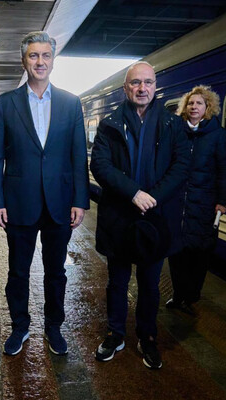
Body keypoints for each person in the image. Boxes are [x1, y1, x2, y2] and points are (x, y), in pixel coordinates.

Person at [0, 31, 90, 357]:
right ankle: (20, 327)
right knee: (18, 271)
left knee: (56, 271)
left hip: (60, 202)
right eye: (33, 55)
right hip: (19, 202)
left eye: (46, 55)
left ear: (53, 60)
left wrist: (80, 200)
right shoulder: (6, 103)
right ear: (24, 61)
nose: (40, 61)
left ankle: (53, 327)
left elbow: (78, 156)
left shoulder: (71, 103)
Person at [90, 61, 190, 368]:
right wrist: (133, 193)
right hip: (120, 217)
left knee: (149, 284)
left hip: (155, 219)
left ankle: (147, 337)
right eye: (135, 82)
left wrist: (153, 197)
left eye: (148, 82)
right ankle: (115, 334)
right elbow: (100, 165)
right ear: (126, 88)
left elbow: (181, 166)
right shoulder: (109, 124)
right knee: (117, 282)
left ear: (155, 86)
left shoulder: (173, 124)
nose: (142, 88)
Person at [166, 85, 226, 314]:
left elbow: (224, 169)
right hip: (178, 202)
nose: (194, 107)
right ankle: (178, 294)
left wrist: (223, 200)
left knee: (199, 253)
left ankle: (191, 296)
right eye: (190, 103)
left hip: (204, 203)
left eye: (199, 103)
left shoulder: (217, 134)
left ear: (207, 107)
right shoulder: (177, 131)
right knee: (176, 252)